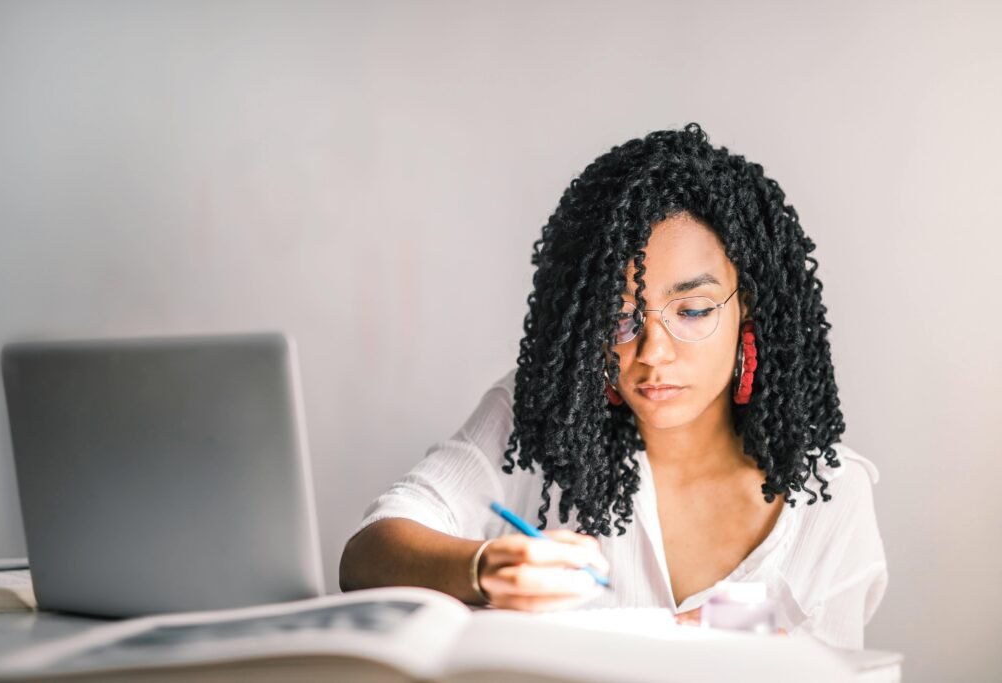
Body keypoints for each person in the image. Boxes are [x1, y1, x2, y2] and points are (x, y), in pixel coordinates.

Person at [339, 123, 887, 649]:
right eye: (619, 316)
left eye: (693, 310)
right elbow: (367, 554)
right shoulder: (538, 417)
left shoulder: (831, 496)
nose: (652, 351)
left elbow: (826, 649)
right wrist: (482, 567)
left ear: (750, 308)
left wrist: (725, 631)